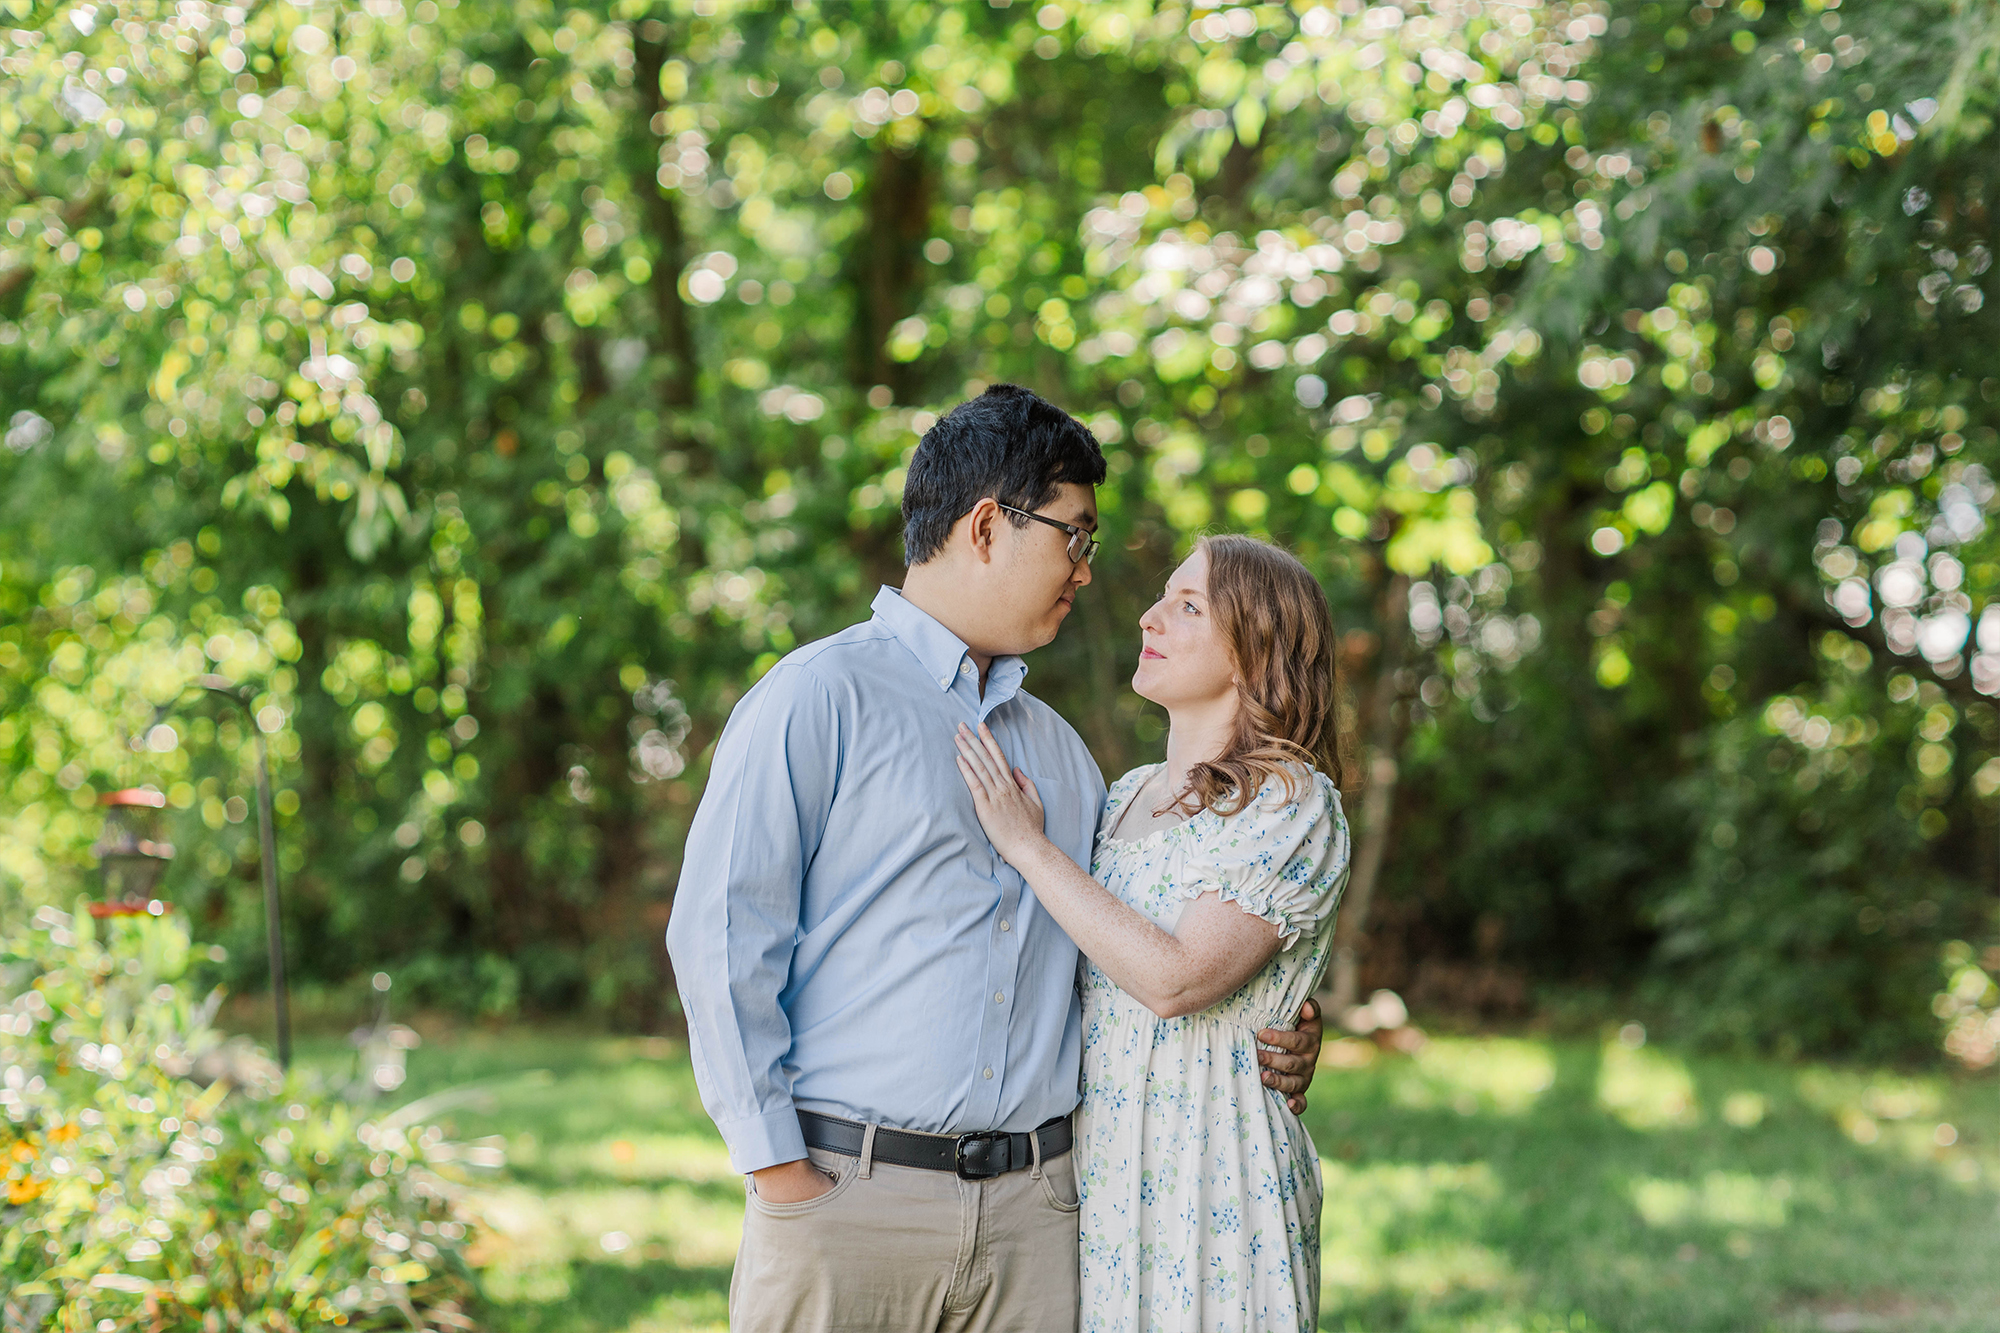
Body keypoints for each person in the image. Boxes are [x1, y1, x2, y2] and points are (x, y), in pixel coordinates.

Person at [665, 386, 1326, 1333]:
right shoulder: (819, 697)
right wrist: (782, 1173)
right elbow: (723, 940)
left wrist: (1282, 1014)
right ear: (987, 526)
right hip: (849, 1206)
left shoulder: (1063, 755)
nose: (1087, 571)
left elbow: (1140, 938)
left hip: (1040, 1225)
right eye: (1076, 536)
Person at [951, 533, 1349, 1333]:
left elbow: (1178, 980)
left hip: (1218, 1173)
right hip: (1105, 1175)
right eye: (1165, 596)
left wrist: (1026, 844)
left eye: (1189, 605)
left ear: (1252, 652)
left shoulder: (1289, 800)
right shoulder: (1124, 794)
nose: (1149, 615)